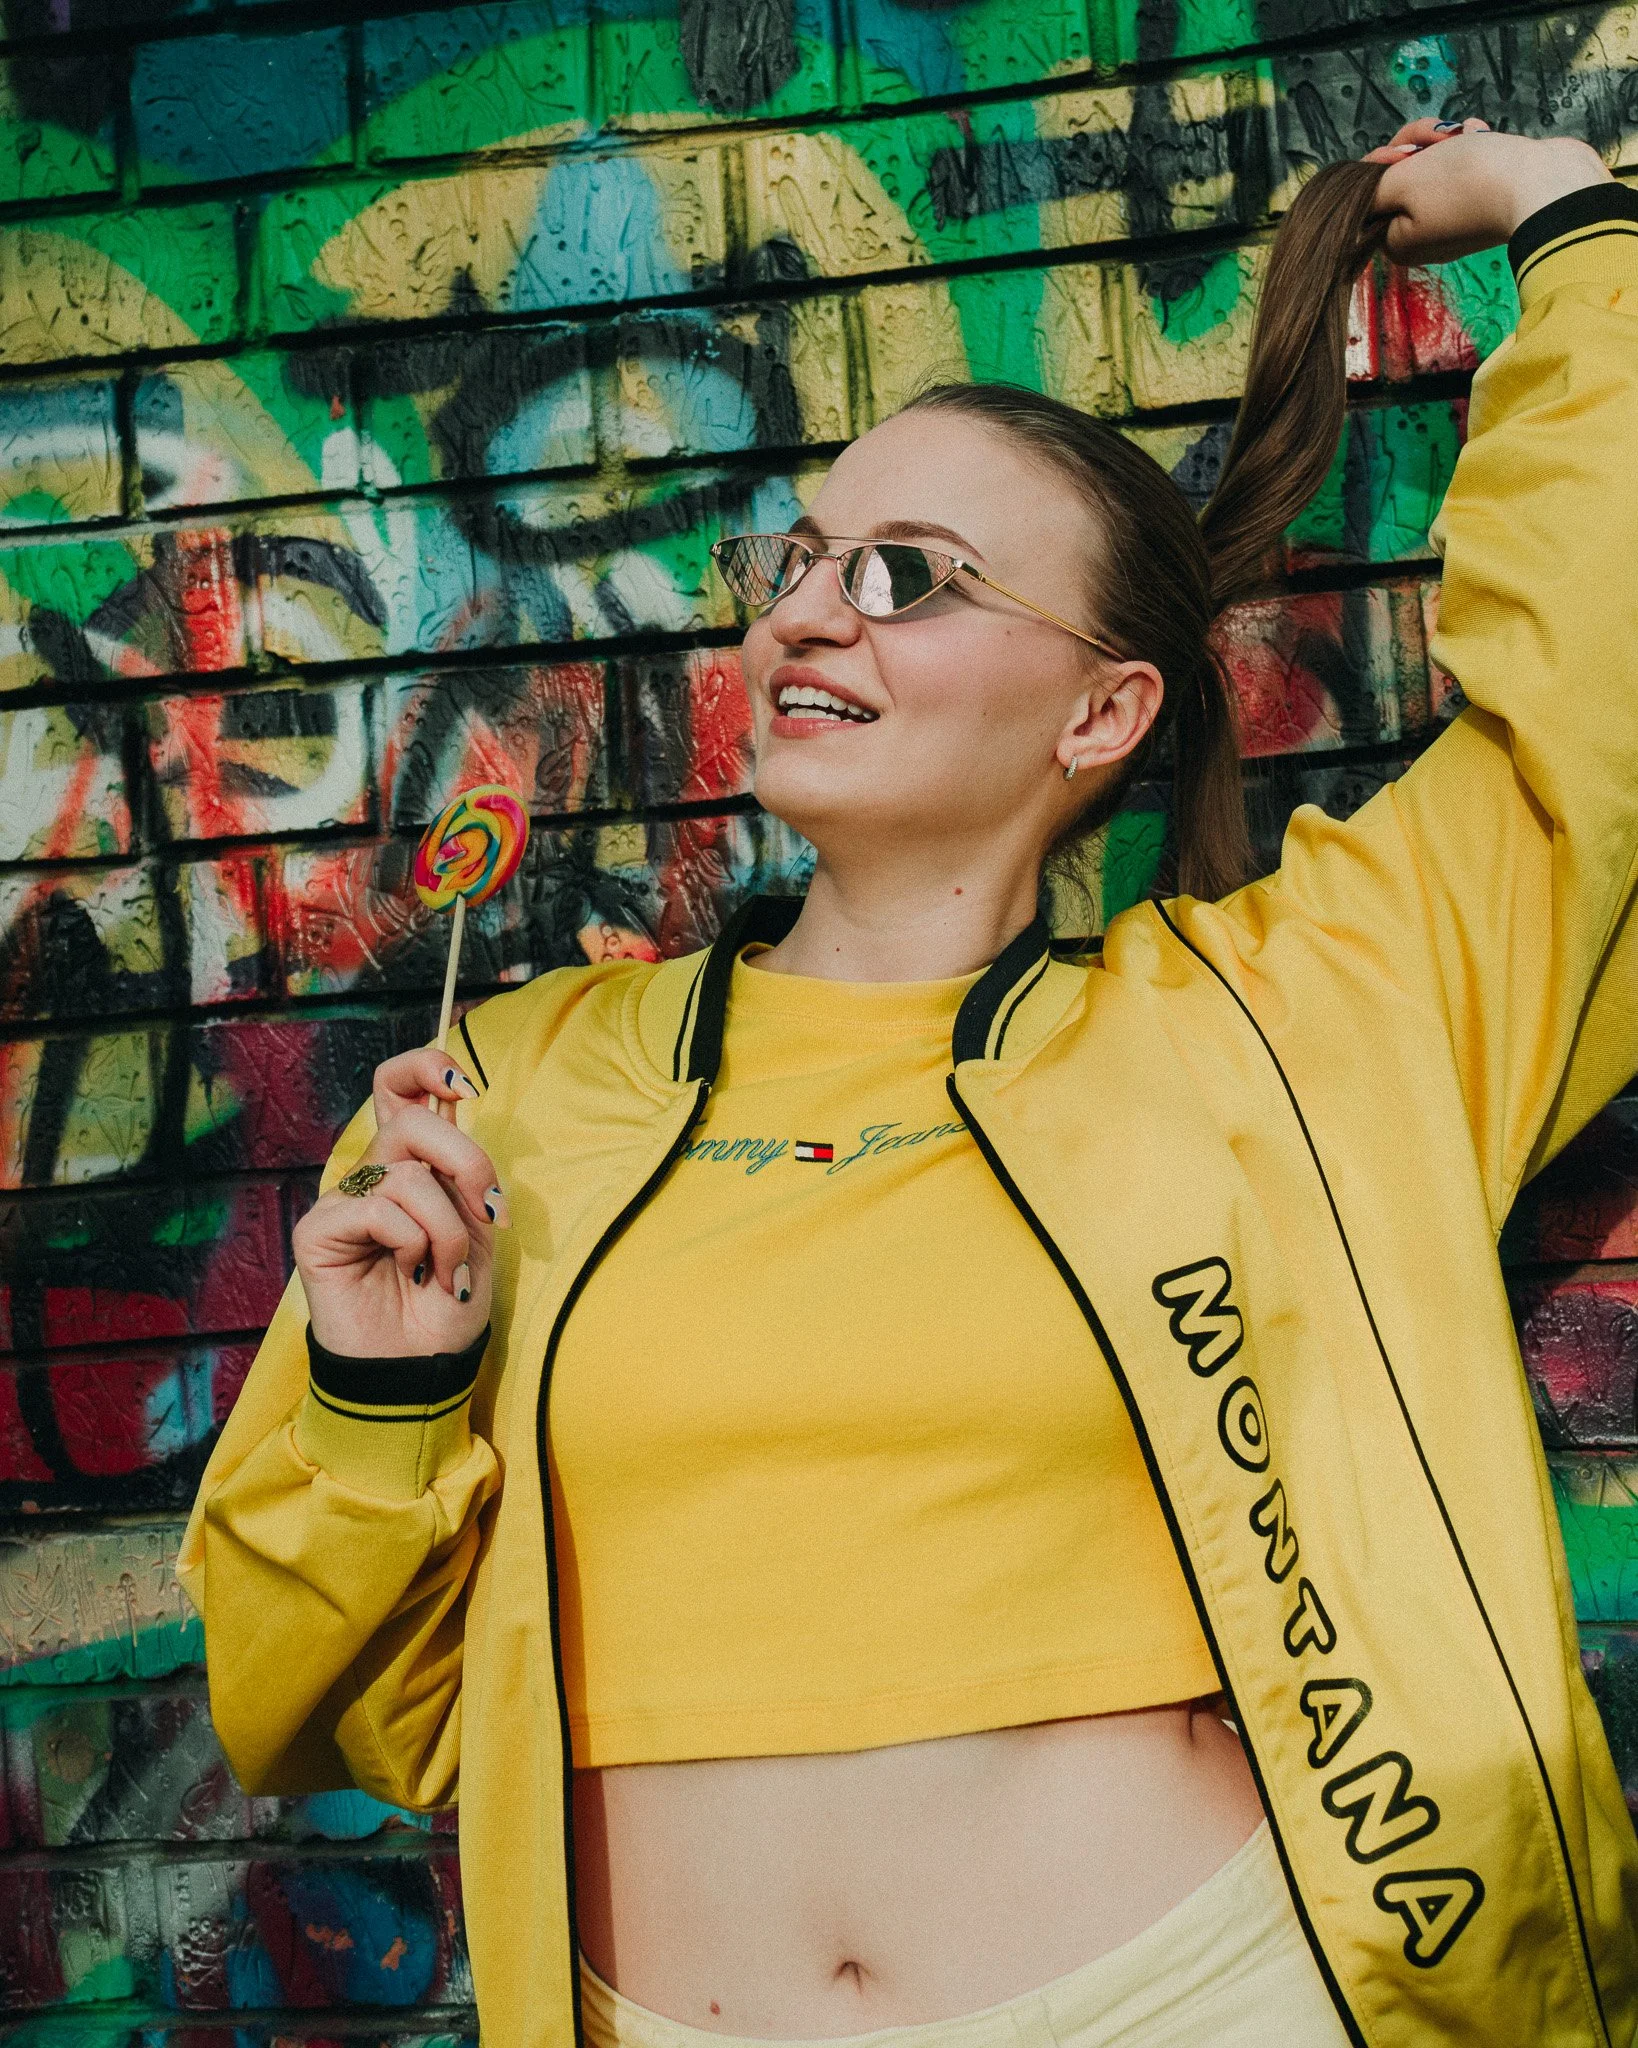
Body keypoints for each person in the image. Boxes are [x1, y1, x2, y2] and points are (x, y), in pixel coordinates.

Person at [179, 119, 1638, 2048]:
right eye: (797, 561)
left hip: (1207, 2000)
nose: (804, 611)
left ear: (1105, 708)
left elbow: (1596, 722)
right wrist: (379, 1404)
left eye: (906, 575)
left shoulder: (1293, 1019)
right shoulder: (505, 1094)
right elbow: (324, 1711)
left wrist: (1569, 216)